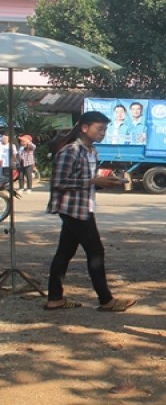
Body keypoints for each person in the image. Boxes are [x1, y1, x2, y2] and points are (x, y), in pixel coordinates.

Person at [44, 111, 136, 312]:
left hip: (84, 207)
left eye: (105, 129)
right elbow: (59, 182)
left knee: (65, 253)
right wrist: (94, 181)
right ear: (84, 128)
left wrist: (105, 183)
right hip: (72, 210)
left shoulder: (91, 151)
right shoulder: (70, 151)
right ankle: (106, 300)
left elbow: (86, 182)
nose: (102, 133)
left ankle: (55, 298)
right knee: (96, 252)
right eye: (99, 128)